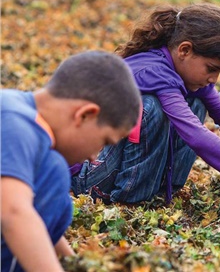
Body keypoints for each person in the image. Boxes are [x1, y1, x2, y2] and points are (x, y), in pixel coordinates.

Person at [70, 3, 220, 206]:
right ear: (184, 50)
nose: (213, 79)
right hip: (89, 177)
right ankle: (130, 199)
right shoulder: (154, 72)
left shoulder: (187, 75)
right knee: (151, 108)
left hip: (113, 169)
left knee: (197, 102)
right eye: (211, 68)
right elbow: (196, 134)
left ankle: (163, 189)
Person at [1, 51, 141, 272]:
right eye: (104, 141)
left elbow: (38, 221)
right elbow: (14, 214)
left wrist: (75, 265)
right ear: (85, 115)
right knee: (54, 172)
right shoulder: (15, 123)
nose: (95, 156)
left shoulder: (21, 115)